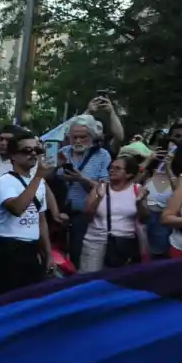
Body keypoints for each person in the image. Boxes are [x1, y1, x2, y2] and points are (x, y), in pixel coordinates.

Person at [0, 130, 53, 295]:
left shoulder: (38, 182)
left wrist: (48, 254)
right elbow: (17, 208)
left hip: (31, 248)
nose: (33, 154)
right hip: (8, 248)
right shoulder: (6, 181)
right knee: (6, 300)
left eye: (36, 150)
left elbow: (41, 219)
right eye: (26, 150)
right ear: (13, 156)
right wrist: (38, 177)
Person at [55, 114, 111, 266]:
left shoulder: (102, 155)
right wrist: (56, 166)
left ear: (92, 136)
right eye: (74, 137)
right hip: (59, 213)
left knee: (78, 255)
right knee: (57, 256)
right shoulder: (63, 152)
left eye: (83, 137)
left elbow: (105, 188)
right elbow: (44, 179)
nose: (78, 141)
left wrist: (81, 179)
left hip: (85, 216)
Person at [80, 156, 147, 271]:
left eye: (117, 168)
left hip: (124, 244)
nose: (112, 170)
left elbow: (145, 218)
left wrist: (139, 202)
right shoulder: (99, 188)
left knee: (119, 282)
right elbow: (87, 216)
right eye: (111, 167)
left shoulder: (137, 190)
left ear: (129, 174)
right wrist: (98, 198)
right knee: (91, 281)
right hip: (95, 243)